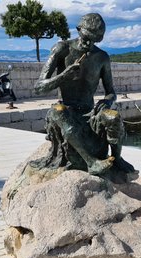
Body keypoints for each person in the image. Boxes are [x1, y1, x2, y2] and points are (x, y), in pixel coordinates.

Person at [33, 13, 135, 177]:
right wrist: (64, 75)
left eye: (94, 40)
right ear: (78, 30)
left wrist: (107, 102)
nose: (89, 43)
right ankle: (91, 162)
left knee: (113, 117)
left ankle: (117, 158)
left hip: (89, 111)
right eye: (86, 38)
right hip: (67, 109)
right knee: (58, 111)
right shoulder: (62, 49)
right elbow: (38, 87)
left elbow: (111, 93)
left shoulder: (102, 57)